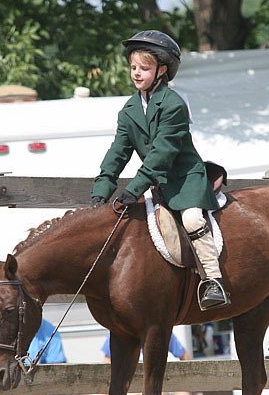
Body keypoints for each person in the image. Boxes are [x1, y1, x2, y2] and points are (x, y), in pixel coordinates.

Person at [88, 30, 229, 310]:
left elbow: (162, 153)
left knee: (191, 221)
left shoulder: (174, 104)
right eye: (133, 67)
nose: (136, 73)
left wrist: (133, 189)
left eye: (144, 68)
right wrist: (100, 192)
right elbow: (118, 153)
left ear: (162, 70)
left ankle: (213, 281)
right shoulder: (129, 110)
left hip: (185, 180)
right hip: (159, 184)